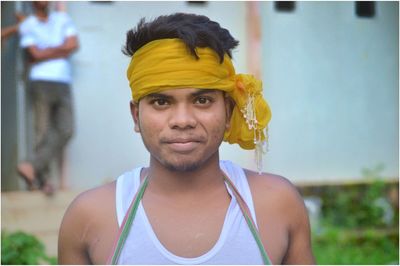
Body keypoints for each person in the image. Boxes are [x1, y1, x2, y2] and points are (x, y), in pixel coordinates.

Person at [58, 13, 315, 264]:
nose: (182, 120)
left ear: (228, 111)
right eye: (161, 101)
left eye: (202, 100)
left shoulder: (277, 204)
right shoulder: (90, 217)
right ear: (136, 116)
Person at [16, 1, 78, 195]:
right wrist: (60, 49)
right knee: (42, 131)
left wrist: (45, 52)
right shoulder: (28, 24)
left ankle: (30, 166)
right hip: (41, 81)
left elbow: (72, 45)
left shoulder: (63, 19)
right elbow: (34, 53)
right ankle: (41, 182)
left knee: (66, 129)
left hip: (63, 80)